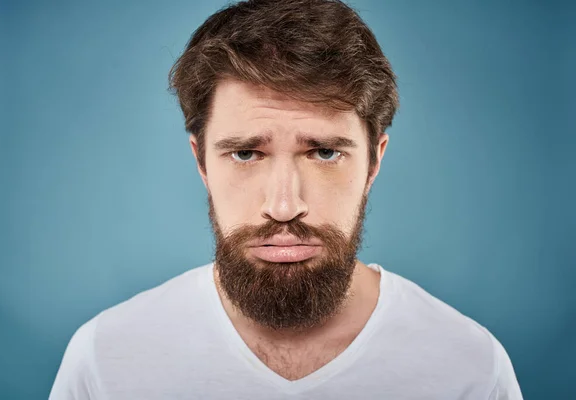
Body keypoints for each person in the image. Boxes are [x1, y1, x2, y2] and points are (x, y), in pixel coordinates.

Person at [49, 0, 523, 399]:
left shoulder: (472, 369)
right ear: (201, 162)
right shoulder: (105, 362)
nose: (283, 206)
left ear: (374, 163)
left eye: (324, 152)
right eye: (245, 153)